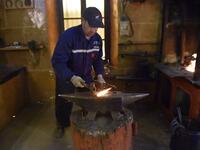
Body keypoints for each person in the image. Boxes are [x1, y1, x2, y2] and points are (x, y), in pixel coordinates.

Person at [51, 7, 106, 138]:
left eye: (96, 27)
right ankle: (62, 125)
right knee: (64, 101)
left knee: (89, 99)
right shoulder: (68, 36)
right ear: (83, 21)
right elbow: (58, 62)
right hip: (67, 75)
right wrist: (71, 77)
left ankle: (88, 124)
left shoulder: (97, 39)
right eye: (91, 26)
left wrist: (99, 75)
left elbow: (98, 60)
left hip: (85, 75)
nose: (93, 30)